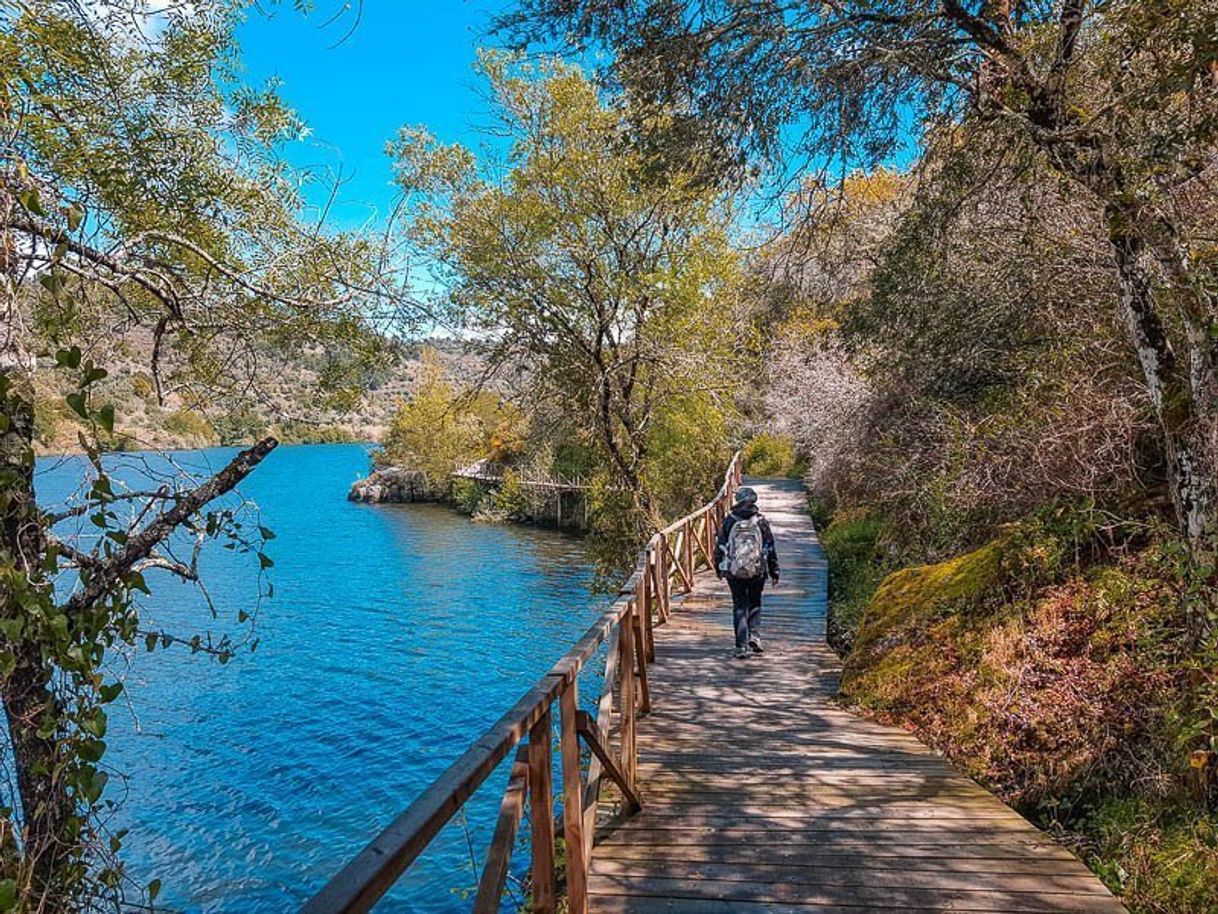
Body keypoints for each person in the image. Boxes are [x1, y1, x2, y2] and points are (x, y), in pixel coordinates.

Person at [714, 485, 780, 659]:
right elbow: (770, 547)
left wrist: (718, 568)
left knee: (739, 605)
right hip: (757, 569)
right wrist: (775, 571)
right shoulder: (761, 520)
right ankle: (755, 636)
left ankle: (741, 646)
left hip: (734, 571)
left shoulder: (729, 520)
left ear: (738, 501)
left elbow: (719, 546)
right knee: (755, 602)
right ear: (754, 501)